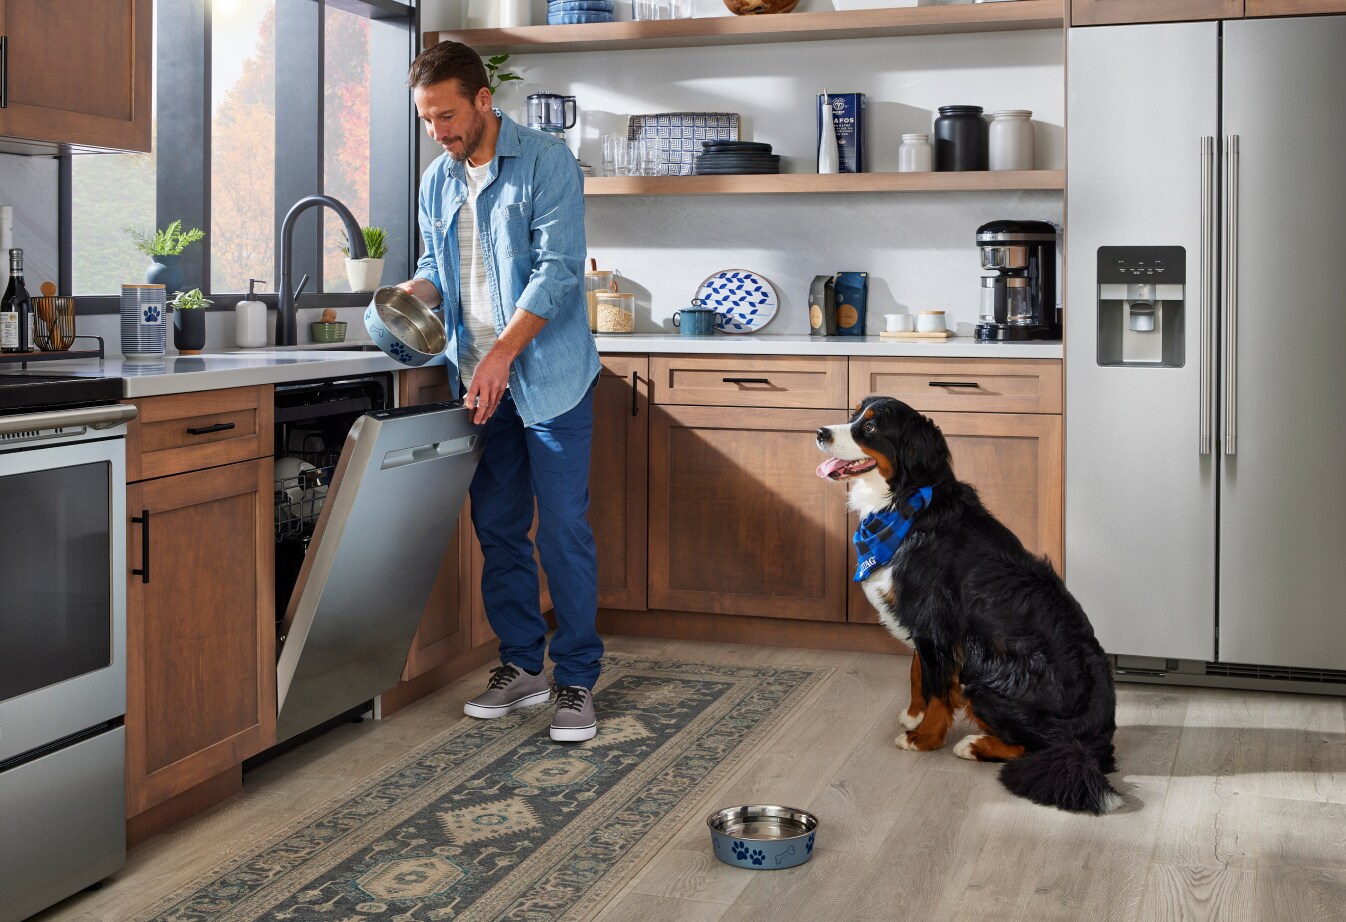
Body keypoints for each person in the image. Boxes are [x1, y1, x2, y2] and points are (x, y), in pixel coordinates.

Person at [397, 41, 603, 743]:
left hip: (549, 378)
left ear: (484, 100)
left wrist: (503, 356)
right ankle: (523, 666)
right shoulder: (438, 179)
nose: (440, 133)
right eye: (427, 121)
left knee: (565, 529)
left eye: (447, 116)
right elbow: (435, 265)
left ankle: (576, 677)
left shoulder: (546, 163)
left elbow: (558, 273)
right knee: (498, 527)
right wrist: (406, 296)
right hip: (479, 379)